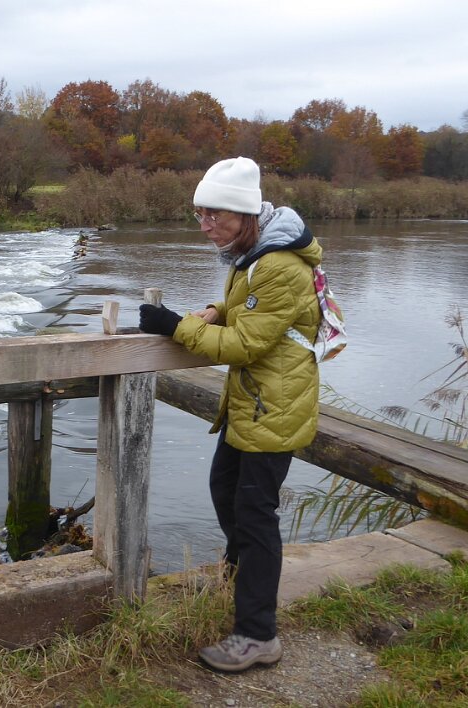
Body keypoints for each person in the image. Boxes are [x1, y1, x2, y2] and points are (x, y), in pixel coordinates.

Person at [138, 156, 322, 673]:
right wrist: (218, 311)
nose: (205, 225)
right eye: (199, 214)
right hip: (254, 402)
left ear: (244, 213)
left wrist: (176, 326)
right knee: (225, 490)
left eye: (214, 214)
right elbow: (254, 315)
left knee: (256, 516)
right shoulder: (254, 255)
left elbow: (245, 344)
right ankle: (241, 582)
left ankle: (258, 634)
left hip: (274, 407)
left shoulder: (279, 265)